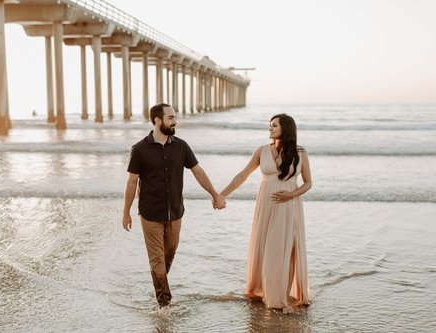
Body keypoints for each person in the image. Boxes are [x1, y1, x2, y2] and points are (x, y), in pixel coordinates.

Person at [121, 103, 226, 310]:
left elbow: (198, 171)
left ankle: (159, 282)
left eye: (174, 117)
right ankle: (164, 304)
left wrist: (214, 194)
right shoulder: (139, 149)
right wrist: (126, 212)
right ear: (157, 121)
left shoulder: (181, 146)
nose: (174, 121)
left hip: (176, 212)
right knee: (157, 259)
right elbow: (132, 182)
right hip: (150, 213)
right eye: (170, 117)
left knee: (168, 254)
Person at [220, 113, 312, 313]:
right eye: (270, 126)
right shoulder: (262, 151)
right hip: (266, 203)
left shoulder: (300, 152)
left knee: (284, 249)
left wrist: (291, 194)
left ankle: (281, 294)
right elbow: (243, 174)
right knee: (266, 246)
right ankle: (264, 289)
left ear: (285, 128)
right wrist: (221, 194)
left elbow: (308, 183)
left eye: (274, 126)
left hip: (289, 205)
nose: (270, 129)